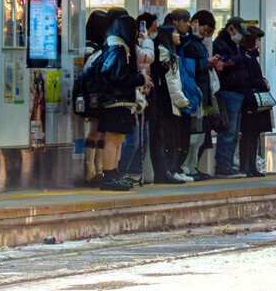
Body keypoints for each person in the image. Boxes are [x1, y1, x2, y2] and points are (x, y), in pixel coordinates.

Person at [96, 14, 152, 191]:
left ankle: (114, 173)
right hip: (116, 100)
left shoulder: (116, 47)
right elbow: (119, 77)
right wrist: (140, 78)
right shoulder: (117, 49)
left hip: (120, 100)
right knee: (113, 139)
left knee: (118, 139)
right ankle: (109, 175)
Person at [148, 24, 192, 183]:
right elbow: (171, 81)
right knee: (168, 138)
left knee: (169, 138)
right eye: (174, 32)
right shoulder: (164, 52)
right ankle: (166, 171)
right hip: (166, 102)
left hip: (166, 101)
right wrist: (182, 100)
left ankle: (168, 171)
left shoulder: (169, 53)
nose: (178, 34)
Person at [73, 10, 111, 183]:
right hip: (94, 95)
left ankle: (98, 170)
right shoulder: (92, 49)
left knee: (100, 132)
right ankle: (91, 171)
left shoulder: (92, 47)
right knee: (95, 131)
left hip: (95, 94)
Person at [180, 10, 218, 180]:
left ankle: (192, 166)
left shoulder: (197, 44)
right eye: (205, 29)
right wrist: (206, 63)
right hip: (194, 92)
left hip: (201, 93)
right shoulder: (188, 44)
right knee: (194, 134)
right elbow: (188, 67)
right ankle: (187, 166)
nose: (206, 34)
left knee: (200, 134)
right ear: (196, 23)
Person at [212, 16, 251, 177]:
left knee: (234, 132)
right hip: (229, 90)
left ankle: (227, 163)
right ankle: (223, 165)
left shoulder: (235, 45)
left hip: (237, 91)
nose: (241, 35)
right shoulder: (220, 44)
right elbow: (222, 63)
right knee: (228, 130)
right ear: (231, 29)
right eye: (239, 32)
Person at [238, 26, 272, 177]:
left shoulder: (250, 56)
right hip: (251, 101)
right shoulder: (246, 57)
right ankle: (247, 166)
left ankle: (250, 166)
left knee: (253, 134)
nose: (259, 42)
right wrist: (263, 84)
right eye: (258, 39)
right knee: (249, 134)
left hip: (253, 101)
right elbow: (251, 79)